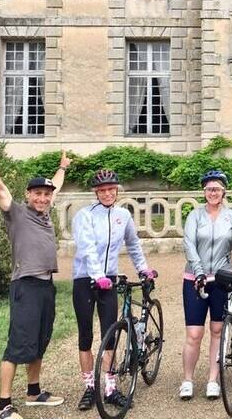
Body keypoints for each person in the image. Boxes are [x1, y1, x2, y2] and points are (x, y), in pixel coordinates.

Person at [0, 130, 68, 419]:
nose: (43, 198)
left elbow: (57, 186)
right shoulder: (16, 212)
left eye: (46, 194)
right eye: (37, 193)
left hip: (45, 286)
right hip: (25, 286)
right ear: (28, 194)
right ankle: (3, 406)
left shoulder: (45, 213)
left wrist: (62, 168)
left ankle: (34, 392)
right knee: (17, 344)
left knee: (39, 340)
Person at [71, 169, 155, 411]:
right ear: (96, 193)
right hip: (85, 279)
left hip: (107, 280)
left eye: (111, 189)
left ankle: (110, 388)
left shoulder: (123, 215)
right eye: (102, 190)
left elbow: (133, 244)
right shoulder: (84, 216)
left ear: (117, 191)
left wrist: (143, 269)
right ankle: (89, 387)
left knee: (110, 335)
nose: (107, 193)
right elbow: (86, 248)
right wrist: (97, 276)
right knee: (85, 335)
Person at [181, 170, 232, 400]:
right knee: (194, 333)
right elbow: (189, 245)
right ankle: (187, 380)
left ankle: (213, 379)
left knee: (217, 330)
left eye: (216, 189)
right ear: (204, 192)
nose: (212, 193)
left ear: (224, 191)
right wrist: (199, 272)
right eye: (208, 189)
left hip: (222, 279)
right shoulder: (194, 216)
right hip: (195, 279)